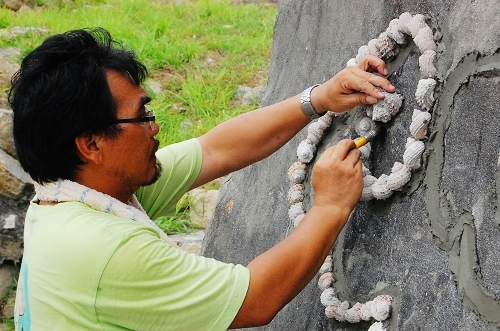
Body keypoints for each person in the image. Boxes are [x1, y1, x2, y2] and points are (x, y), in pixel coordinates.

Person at [8, 28, 395, 330]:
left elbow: (215, 150)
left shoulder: (75, 195)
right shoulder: (105, 251)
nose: (155, 126)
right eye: (141, 116)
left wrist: (321, 98)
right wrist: (329, 207)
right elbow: (255, 300)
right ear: (92, 144)